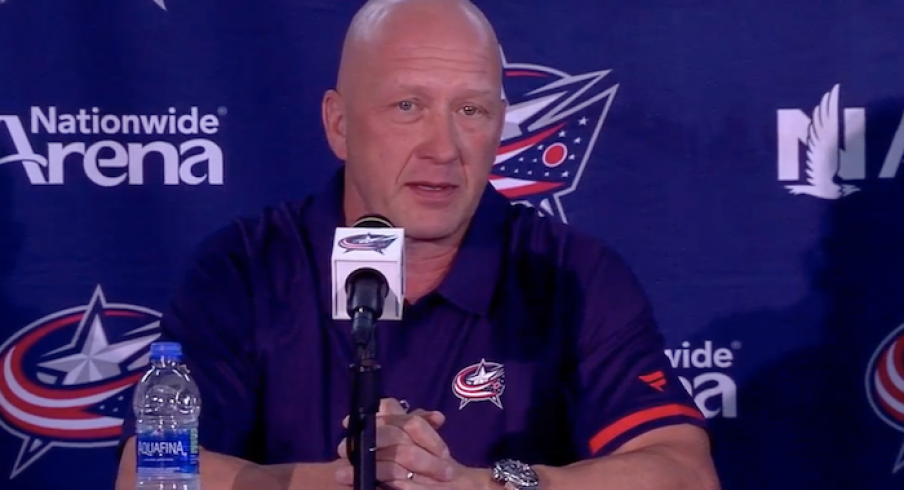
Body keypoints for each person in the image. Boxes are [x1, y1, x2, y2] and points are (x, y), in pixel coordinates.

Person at [115, 0, 721, 489]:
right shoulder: (245, 268)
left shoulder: (572, 273)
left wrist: (485, 486)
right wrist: (342, 483)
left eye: (471, 109)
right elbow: (151, 471)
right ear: (339, 123)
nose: (444, 147)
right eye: (408, 105)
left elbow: (683, 473)